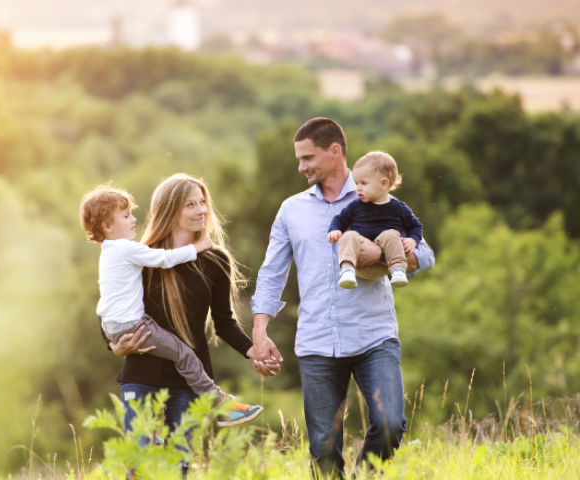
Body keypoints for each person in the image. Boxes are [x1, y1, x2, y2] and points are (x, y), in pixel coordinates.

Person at [249, 118, 435, 478]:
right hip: (317, 340)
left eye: (308, 158)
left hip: (373, 336)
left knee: (390, 424)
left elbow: (425, 255)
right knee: (323, 449)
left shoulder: (380, 197)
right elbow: (271, 273)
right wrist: (260, 330)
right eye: (299, 159)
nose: (301, 167)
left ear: (335, 151)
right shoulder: (291, 210)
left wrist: (383, 256)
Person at [79, 184, 263, 427]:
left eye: (202, 202)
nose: (201, 210)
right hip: (141, 378)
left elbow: (224, 322)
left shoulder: (215, 261)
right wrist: (114, 345)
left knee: (180, 454)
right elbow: (111, 303)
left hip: (188, 384)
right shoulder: (142, 255)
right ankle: (219, 403)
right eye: (191, 204)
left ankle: (219, 404)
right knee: (141, 450)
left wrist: (253, 350)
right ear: (170, 210)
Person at [327, 151, 423, 289]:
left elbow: (415, 226)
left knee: (391, 234)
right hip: (359, 264)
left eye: (363, 183)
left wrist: (413, 240)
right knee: (349, 235)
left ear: (383, 184)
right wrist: (334, 230)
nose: (358, 188)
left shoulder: (398, 208)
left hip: (385, 266)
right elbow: (339, 219)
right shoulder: (355, 205)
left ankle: (398, 271)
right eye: (356, 183)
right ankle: (347, 270)